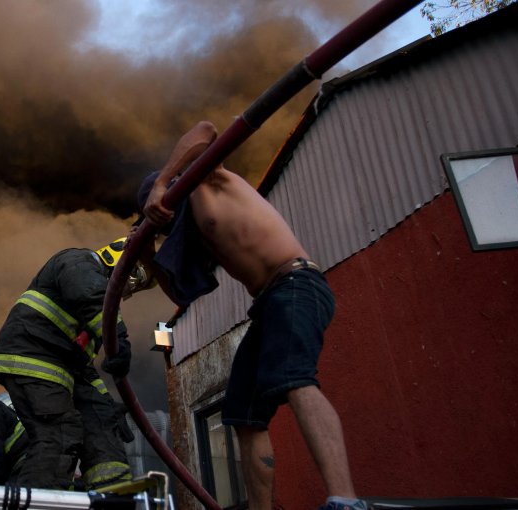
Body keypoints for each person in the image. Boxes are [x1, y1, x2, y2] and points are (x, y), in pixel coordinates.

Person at [138, 121, 365, 510]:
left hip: (297, 283)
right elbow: (180, 292)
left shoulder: (207, 180)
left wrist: (162, 185)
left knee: (293, 378)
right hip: (268, 304)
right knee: (241, 411)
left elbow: (205, 131)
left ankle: (345, 500)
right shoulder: (196, 234)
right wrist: (144, 253)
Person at [0, 238, 153, 491]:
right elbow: (91, 296)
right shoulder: (78, 261)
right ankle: (39, 502)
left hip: (61, 367)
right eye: (134, 277)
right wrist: (119, 339)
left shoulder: (89, 317)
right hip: (31, 357)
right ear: (116, 258)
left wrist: (104, 404)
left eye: (136, 287)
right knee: (59, 432)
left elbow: (82, 369)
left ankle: (110, 489)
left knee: (100, 419)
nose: (130, 289)